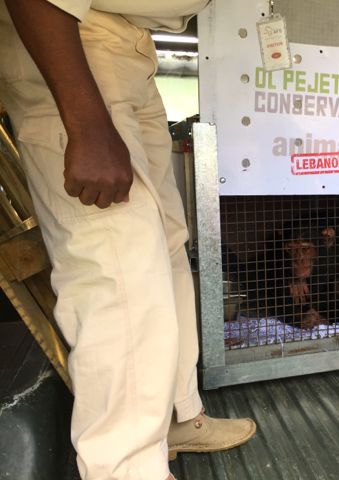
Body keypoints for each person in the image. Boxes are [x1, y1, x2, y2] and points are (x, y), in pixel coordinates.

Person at [0, 1, 256, 479]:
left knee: (169, 245)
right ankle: (128, 469)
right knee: (119, 275)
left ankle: (177, 417)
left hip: (131, 54)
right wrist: (87, 126)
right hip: (76, 50)